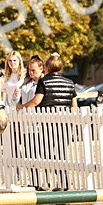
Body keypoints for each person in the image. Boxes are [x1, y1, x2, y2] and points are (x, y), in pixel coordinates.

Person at [26, 53, 77, 190]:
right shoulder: (70, 83)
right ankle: (64, 183)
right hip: (65, 122)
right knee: (61, 153)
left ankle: (46, 182)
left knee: (45, 153)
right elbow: (74, 106)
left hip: (47, 122)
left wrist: (22, 107)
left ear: (46, 67)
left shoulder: (44, 81)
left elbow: (36, 101)